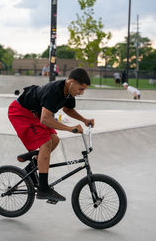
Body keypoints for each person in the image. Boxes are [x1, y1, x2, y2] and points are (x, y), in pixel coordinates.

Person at [8, 68, 94, 202]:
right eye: (80, 89)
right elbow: (45, 119)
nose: (81, 93)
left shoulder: (69, 93)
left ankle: (31, 168)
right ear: (71, 82)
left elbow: (68, 109)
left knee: (55, 139)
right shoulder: (54, 91)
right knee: (46, 143)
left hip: (36, 114)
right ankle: (43, 189)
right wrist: (69, 128)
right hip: (21, 112)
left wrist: (84, 120)